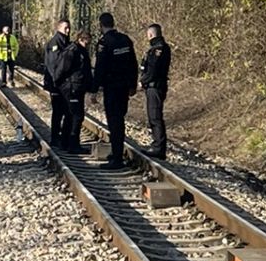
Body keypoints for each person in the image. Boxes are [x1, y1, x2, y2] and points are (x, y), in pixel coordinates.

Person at [92, 12, 140, 167]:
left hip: (111, 88)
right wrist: (133, 85)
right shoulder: (125, 40)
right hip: (124, 87)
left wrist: (94, 90)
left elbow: (100, 69)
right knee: (120, 119)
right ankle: (116, 152)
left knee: (114, 122)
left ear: (101, 25)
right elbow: (133, 64)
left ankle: (117, 158)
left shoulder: (104, 43)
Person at [41, 18, 81, 150]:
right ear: (59, 28)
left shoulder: (66, 42)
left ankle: (63, 138)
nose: (68, 30)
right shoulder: (55, 43)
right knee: (58, 112)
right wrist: (56, 82)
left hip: (63, 84)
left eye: (69, 28)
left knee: (65, 111)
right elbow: (53, 66)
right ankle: (55, 138)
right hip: (56, 84)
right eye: (65, 28)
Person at [140, 22, 173, 157]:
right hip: (156, 86)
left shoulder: (158, 49)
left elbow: (153, 70)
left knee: (155, 117)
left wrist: (142, 82)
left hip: (155, 87)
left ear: (150, 34)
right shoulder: (160, 48)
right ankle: (157, 145)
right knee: (153, 116)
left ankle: (158, 147)